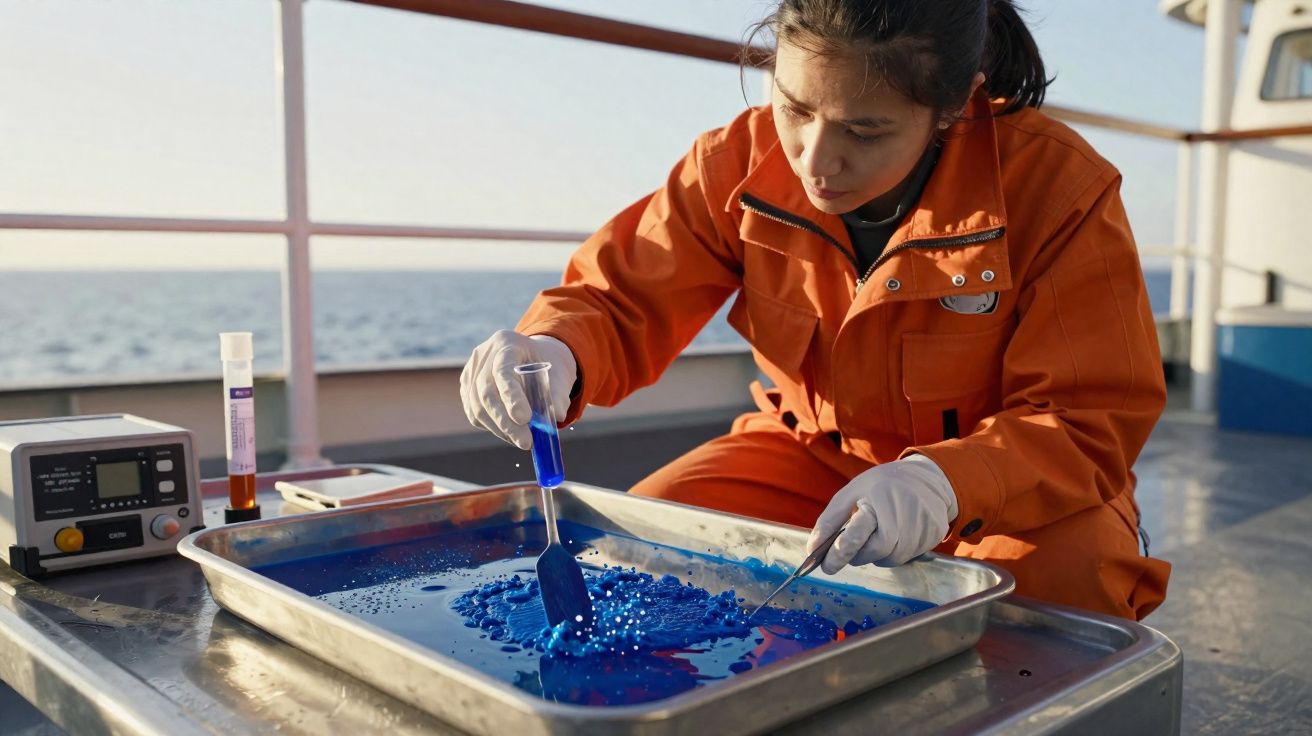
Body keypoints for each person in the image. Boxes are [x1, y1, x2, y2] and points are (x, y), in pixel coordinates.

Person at [461, 0, 1170, 620]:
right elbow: (618, 297)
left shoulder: (1060, 190)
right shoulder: (731, 164)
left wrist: (943, 482)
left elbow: (1087, 420)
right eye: (795, 108)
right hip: (809, 455)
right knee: (640, 555)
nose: (815, 160)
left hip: (1007, 483)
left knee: (1064, 595)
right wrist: (554, 349)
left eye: (864, 132)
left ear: (954, 107)